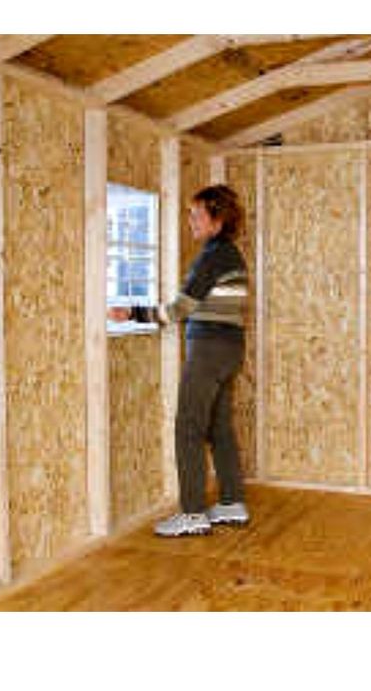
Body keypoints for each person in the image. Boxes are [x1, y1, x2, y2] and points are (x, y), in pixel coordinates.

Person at [109, 184, 249, 537]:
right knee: (218, 427)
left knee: (188, 427)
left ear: (217, 220)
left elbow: (179, 309)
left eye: (196, 214)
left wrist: (133, 312)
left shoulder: (212, 256)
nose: (190, 221)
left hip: (209, 348)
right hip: (230, 348)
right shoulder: (231, 254)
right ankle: (232, 502)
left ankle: (191, 513)